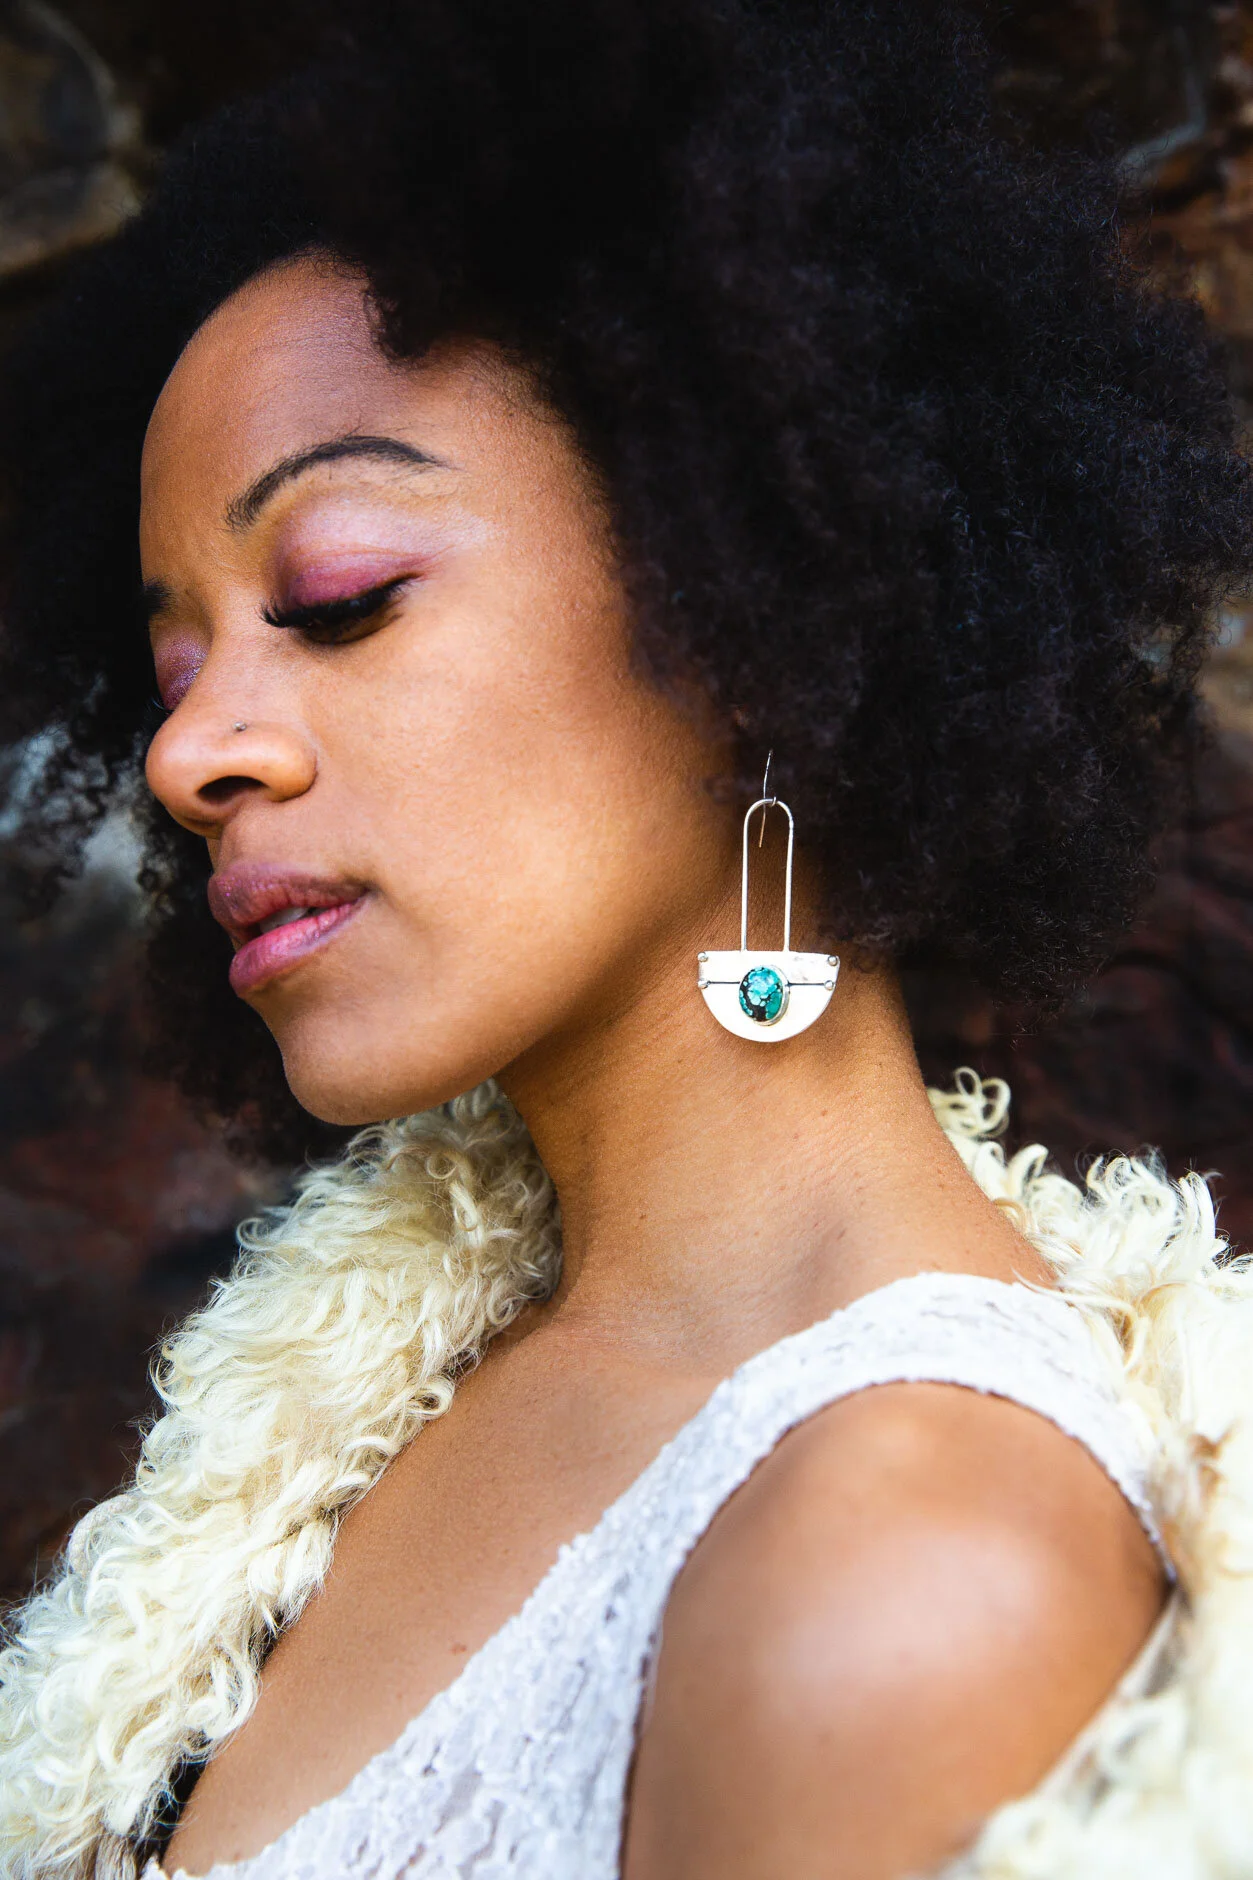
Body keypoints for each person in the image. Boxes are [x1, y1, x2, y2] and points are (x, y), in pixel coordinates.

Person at [1, 2, 1252, 1876]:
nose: (190, 758)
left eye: (338, 596)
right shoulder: (359, 1398)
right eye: (175, 673)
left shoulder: (896, 1567)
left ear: (751, 610)